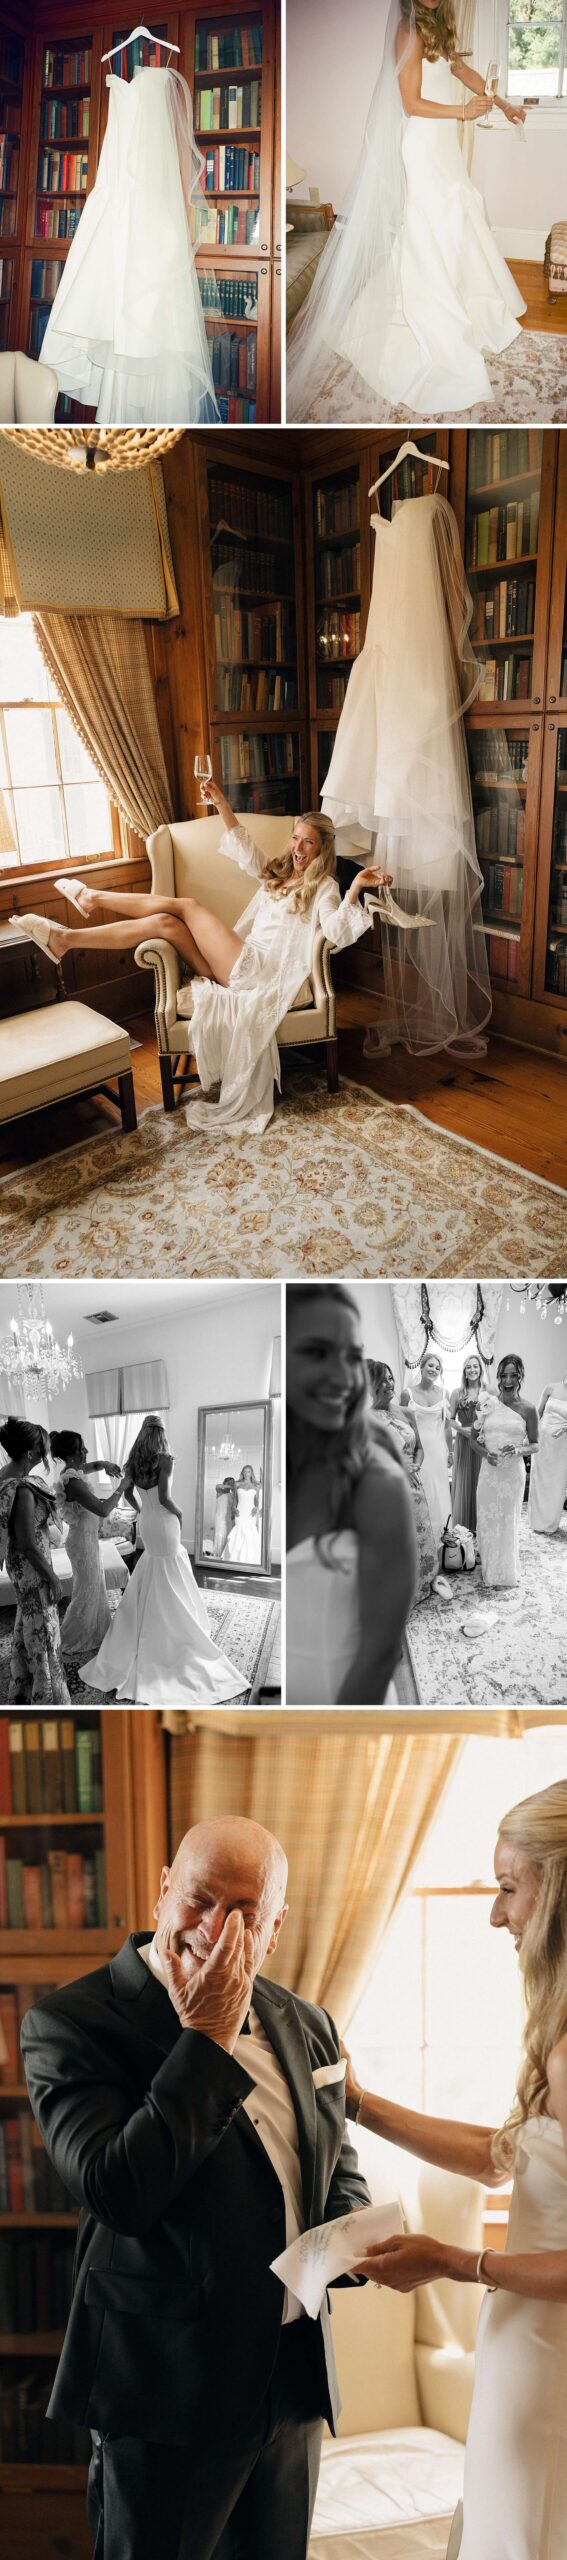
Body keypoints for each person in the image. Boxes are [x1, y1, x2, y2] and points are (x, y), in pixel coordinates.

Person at [21, 1813, 371, 2560]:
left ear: (274, 1929)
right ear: (161, 1893)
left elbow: (331, 2156)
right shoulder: (70, 2023)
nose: (215, 1928)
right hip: (163, 2393)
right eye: (200, 1899)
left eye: (245, 1912)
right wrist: (206, 2038)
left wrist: (356, 2233)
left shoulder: (305, 2021)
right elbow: (119, 2192)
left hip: (291, 2383)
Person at [341, 1778, 567, 2560]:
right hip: (521, 2343)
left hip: (553, 2351)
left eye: (509, 1887)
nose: (495, 1913)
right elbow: (504, 2157)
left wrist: (453, 2262)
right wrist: (361, 2106)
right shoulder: (556, 2027)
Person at [14, 786, 393, 1135]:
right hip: (230, 967)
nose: (298, 848)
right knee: (164, 923)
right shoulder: (277, 873)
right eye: (296, 838)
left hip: (257, 972)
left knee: (189, 907)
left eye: (308, 843)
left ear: (322, 849)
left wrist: (356, 887)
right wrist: (221, 803)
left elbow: (338, 930)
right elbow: (243, 845)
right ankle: (65, 940)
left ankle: (92, 898)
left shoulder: (324, 888)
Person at [286, 0, 526, 422]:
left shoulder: (437, 28)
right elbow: (411, 102)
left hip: (442, 142)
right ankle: (433, 315)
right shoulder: (408, 31)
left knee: (456, 216)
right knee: (433, 224)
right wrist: (462, 112)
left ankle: (462, 300)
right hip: (423, 142)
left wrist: (501, 103)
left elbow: (462, 72)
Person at [286, 1285, 417, 1703]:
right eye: (317, 1353)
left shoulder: (377, 1481)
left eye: (352, 1356)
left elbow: (381, 1653)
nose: (344, 1378)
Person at [80, 1414, 246, 1705]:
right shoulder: (166, 1458)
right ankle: (177, 1627)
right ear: (161, 1434)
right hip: (166, 1521)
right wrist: (179, 1513)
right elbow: (167, 1497)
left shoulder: (134, 1460)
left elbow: (128, 1493)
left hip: (147, 1521)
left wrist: (143, 1509)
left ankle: (146, 1625)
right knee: (170, 1567)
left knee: (155, 1566)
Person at [0, 1418, 69, 1704]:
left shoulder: (3, 1477)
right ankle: (47, 1696)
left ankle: (24, 1684)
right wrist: (52, 1577)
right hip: (33, 1568)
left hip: (19, 1567)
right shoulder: (23, 1489)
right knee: (43, 1627)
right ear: (29, 1453)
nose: (43, 1457)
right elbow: (28, 1542)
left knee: (28, 1621)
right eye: (41, 1451)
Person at [50, 1430, 128, 1664]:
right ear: (71, 1455)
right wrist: (122, 1487)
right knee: (86, 1590)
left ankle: (96, 1630)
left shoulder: (71, 1472)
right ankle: (73, 1637)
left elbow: (91, 1465)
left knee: (95, 1586)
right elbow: (103, 1510)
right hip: (82, 1543)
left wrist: (103, 1464)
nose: (86, 1452)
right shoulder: (72, 1481)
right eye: (81, 1448)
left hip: (86, 1539)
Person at [367, 1359, 440, 1604]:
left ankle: (419, 1586)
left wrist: (415, 1466)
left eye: (390, 1378)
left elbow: (419, 1448)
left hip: (414, 1485)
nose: (388, 1384)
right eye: (382, 1380)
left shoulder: (407, 1412)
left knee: (416, 1538)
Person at [473, 1355, 538, 1589]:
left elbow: (536, 1444)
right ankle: (490, 1568)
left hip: (512, 1474)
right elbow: (473, 1440)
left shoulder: (529, 1409)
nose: (508, 1380)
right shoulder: (486, 1403)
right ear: (498, 1377)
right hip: (488, 1473)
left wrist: (519, 1449)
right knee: (488, 1520)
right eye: (503, 1375)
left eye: (513, 1375)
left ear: (521, 1376)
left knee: (507, 1521)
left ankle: (506, 1571)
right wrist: (485, 1454)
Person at [402, 1349, 452, 1543]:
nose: (434, 1369)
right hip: (418, 1453)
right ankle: (420, 1541)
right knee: (421, 1492)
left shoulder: (444, 1393)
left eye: (438, 1367)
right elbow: (403, 1426)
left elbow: (447, 1427)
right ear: (422, 1367)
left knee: (439, 1493)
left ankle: (442, 1541)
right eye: (430, 1365)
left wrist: (451, 1452)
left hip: (438, 1452)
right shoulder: (408, 1394)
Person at [448, 1355, 486, 1536]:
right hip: (464, 1442)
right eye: (469, 1367)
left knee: (481, 1480)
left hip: (482, 1442)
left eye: (476, 1367)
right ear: (464, 1370)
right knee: (464, 1480)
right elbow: (449, 1420)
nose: (472, 1370)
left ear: (480, 1369)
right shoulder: (457, 1393)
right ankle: (464, 1527)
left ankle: (482, 1524)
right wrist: (465, 1432)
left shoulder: (488, 1391)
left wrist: (481, 1433)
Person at [528, 1366, 567, 1536]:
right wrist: (531, 1434)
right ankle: (537, 1521)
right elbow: (538, 1411)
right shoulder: (550, 1387)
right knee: (540, 1479)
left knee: (556, 1482)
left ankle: (550, 1523)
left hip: (562, 1445)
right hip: (543, 1439)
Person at [222, 1465, 262, 1565]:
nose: (246, 1473)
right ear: (242, 1473)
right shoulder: (237, 1484)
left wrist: (256, 1507)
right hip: (240, 1511)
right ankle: (234, 1558)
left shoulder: (255, 1485)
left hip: (250, 1513)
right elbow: (235, 1499)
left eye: (248, 1471)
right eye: (244, 1471)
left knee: (250, 1532)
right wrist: (234, 1508)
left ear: (251, 1473)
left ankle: (249, 1559)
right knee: (238, 1531)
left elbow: (256, 1501)